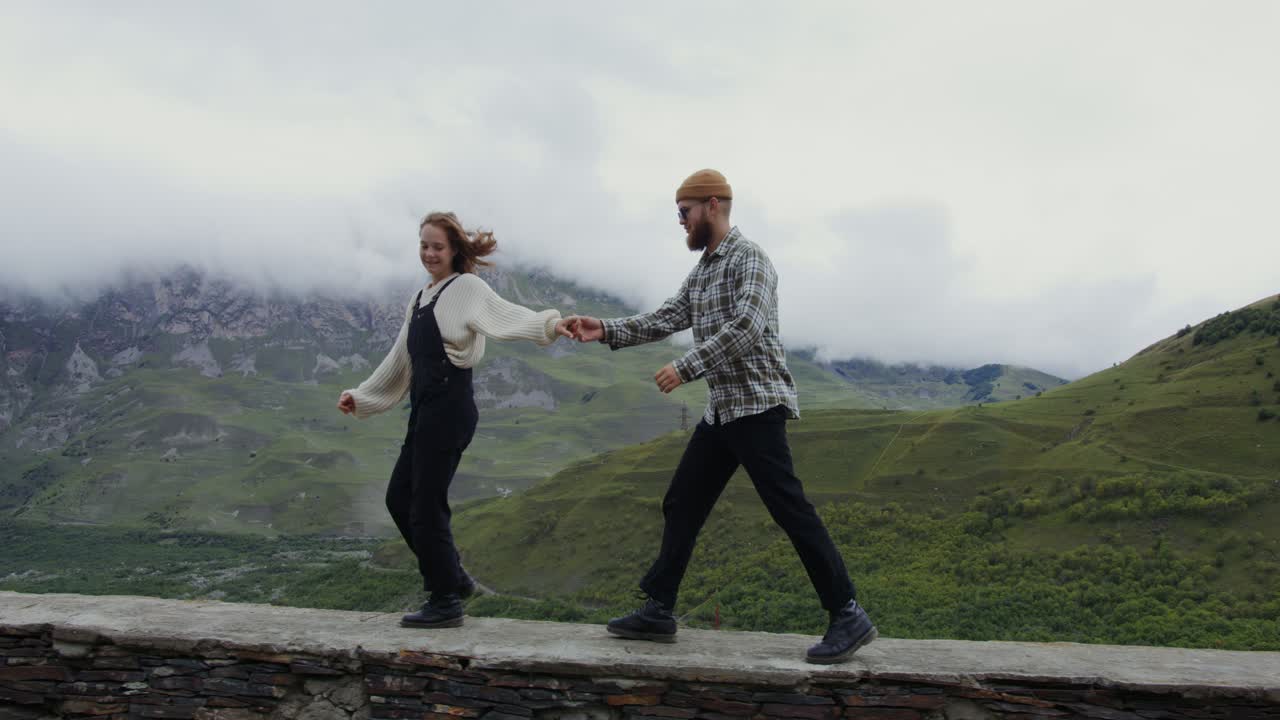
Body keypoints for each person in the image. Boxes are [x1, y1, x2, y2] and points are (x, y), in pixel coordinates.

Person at [564, 170, 876, 664]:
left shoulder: (750, 259)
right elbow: (667, 316)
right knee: (682, 500)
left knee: (789, 508)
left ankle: (847, 612)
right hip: (723, 411)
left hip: (757, 405)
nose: (680, 223)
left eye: (684, 213)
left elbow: (748, 326)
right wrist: (603, 328)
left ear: (712, 206)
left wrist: (686, 367)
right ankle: (659, 610)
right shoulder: (705, 270)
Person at [338, 211, 573, 629]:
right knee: (398, 498)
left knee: (426, 503)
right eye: (424, 245)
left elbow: (508, 316)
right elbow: (400, 359)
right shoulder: (420, 298)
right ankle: (454, 577)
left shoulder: (466, 288)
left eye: (438, 247)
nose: (429, 253)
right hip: (424, 410)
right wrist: (362, 396)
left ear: (454, 250)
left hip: (451, 408)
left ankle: (445, 600)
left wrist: (550, 324)